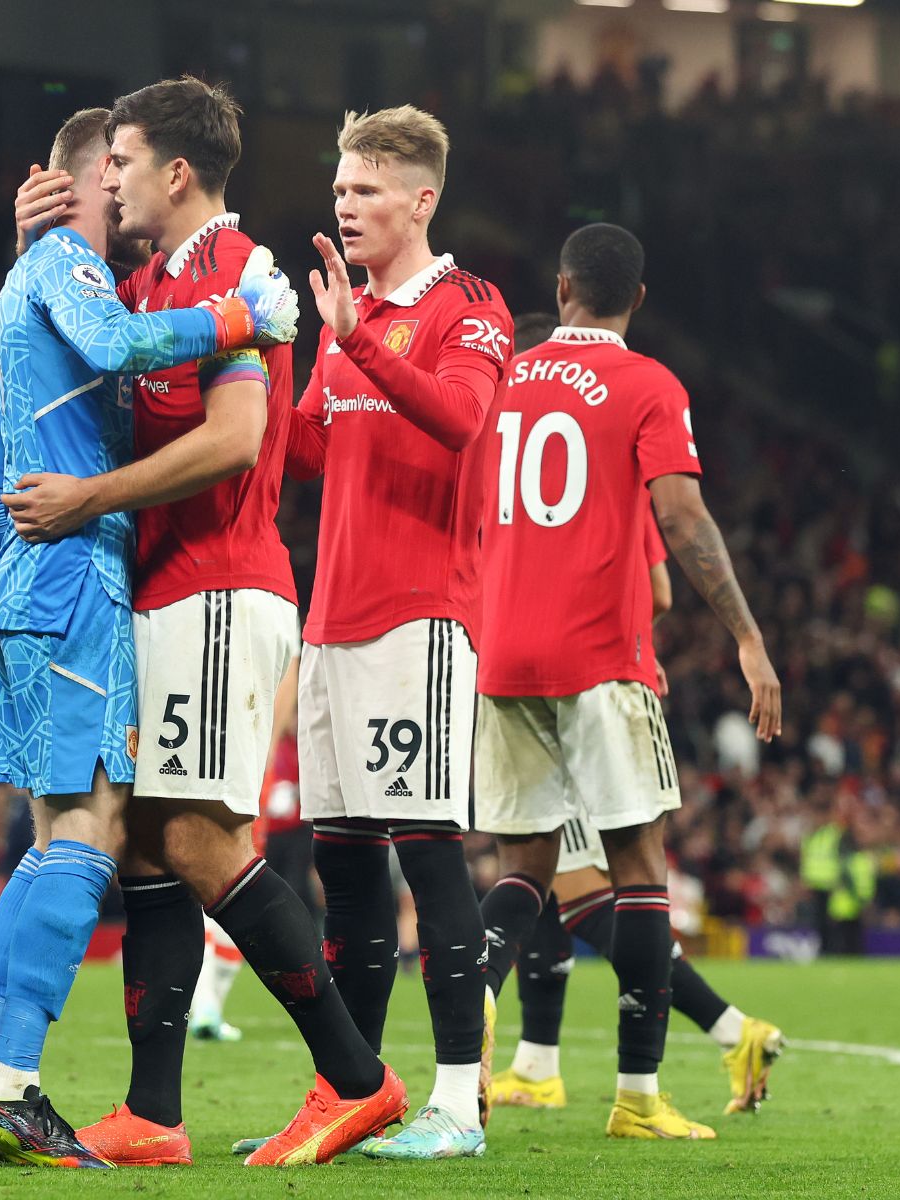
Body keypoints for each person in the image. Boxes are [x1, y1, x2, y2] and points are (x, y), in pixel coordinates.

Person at [4, 78, 405, 1168]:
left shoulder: (236, 274)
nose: (109, 179)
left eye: (122, 162)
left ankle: (356, 1079)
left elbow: (235, 439)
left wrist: (87, 500)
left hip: (219, 587)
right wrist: (33, 241)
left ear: (175, 172)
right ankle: (153, 1112)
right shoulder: (150, 282)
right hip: (161, 590)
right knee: (141, 838)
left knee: (196, 836)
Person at [0, 107, 299, 1169]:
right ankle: (10, 1088)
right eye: (121, 169)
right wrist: (233, 317)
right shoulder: (67, 266)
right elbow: (118, 342)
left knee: (54, 839)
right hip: (77, 579)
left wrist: (27, 543)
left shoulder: (23, 286)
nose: (130, 191)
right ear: (94, 174)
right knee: (92, 836)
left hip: (24, 580)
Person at [472, 223, 782, 1142]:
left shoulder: (500, 383)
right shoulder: (648, 385)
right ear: (636, 299)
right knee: (638, 870)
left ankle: (476, 1012)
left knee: (523, 867)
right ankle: (640, 1096)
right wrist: (749, 638)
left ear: (560, 285)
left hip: (501, 653)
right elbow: (680, 519)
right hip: (599, 655)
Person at [262, 105, 510, 1159]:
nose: (345, 206)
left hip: (419, 621)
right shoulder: (346, 317)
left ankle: (458, 1102)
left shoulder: (470, 306)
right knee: (347, 869)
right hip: (331, 625)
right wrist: (269, 357)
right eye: (338, 191)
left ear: (421, 198)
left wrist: (357, 336)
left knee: (428, 859)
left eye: (365, 191)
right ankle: (351, 1091)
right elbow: (304, 456)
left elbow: (461, 421)